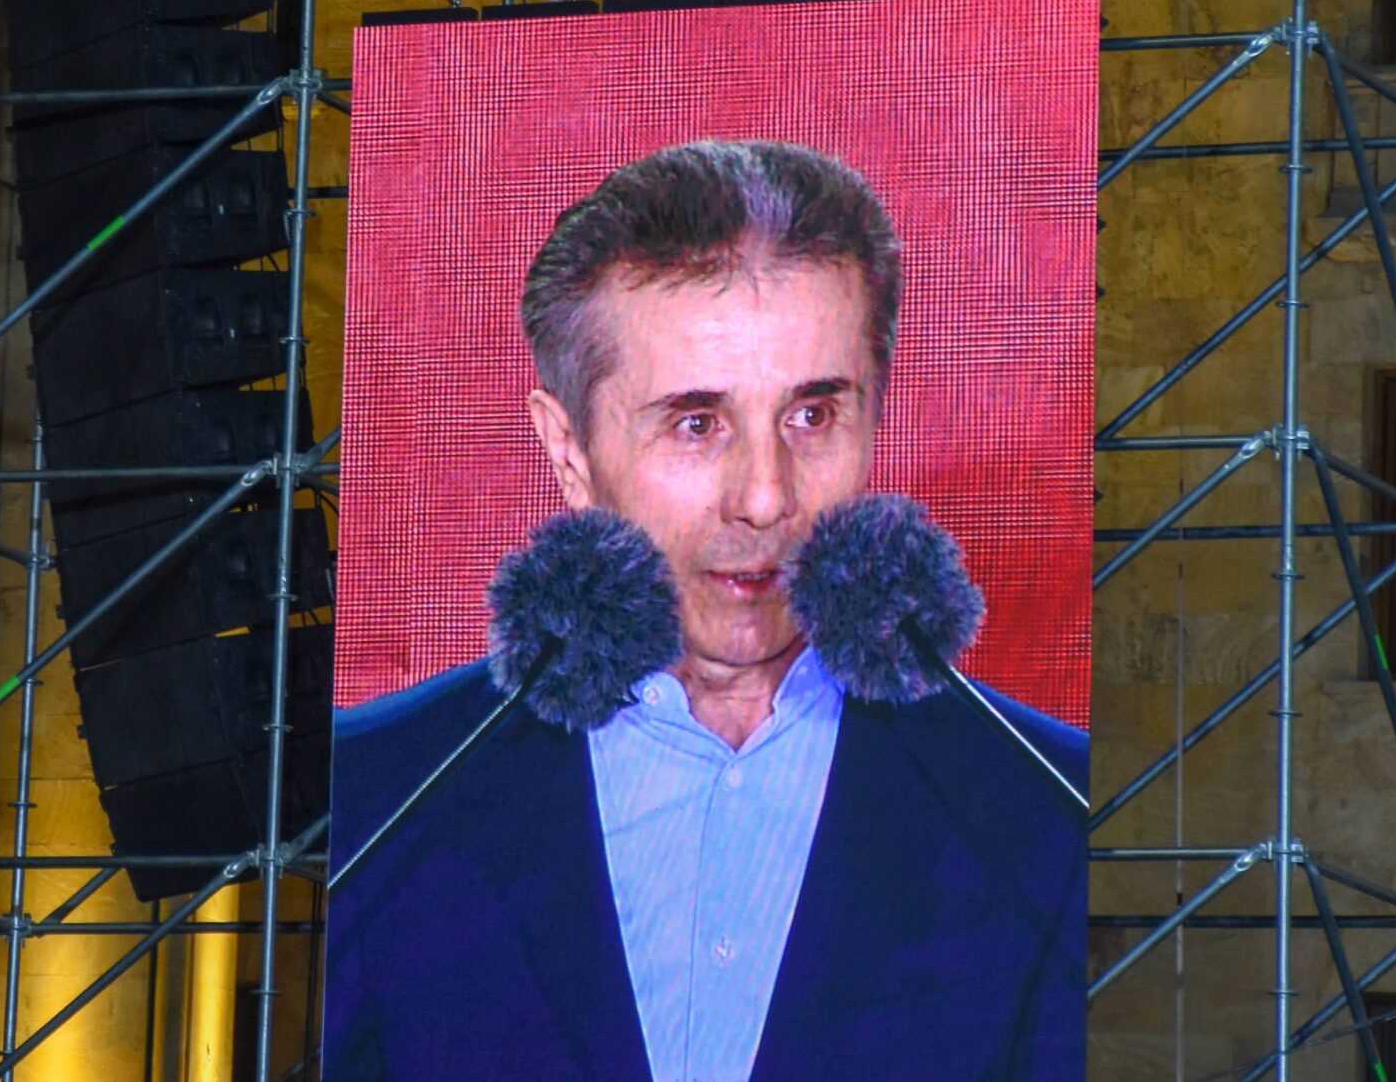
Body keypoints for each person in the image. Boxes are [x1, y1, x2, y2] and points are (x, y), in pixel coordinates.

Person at [324, 140, 1087, 1082]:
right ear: (569, 451)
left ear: (876, 418)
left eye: (813, 415)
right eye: (697, 423)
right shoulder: (373, 793)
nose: (764, 497)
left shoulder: (1053, 806)